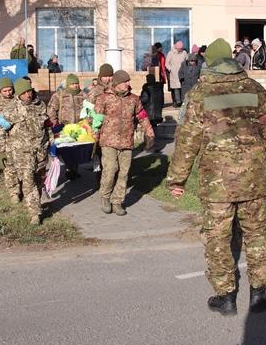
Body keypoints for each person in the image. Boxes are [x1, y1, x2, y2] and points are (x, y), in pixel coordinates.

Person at [166, 38, 266, 316]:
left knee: (218, 238)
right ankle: (259, 294)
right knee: (256, 235)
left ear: (210, 63)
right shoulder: (254, 89)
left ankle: (226, 298)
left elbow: (186, 140)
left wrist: (177, 179)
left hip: (216, 183)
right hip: (253, 178)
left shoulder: (198, 94)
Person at [94, 70, 155, 216]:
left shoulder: (134, 99)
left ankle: (117, 201)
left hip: (127, 141)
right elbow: (96, 119)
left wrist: (149, 131)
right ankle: (105, 196)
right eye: (125, 81)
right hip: (108, 141)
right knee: (110, 169)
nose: (128, 84)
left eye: (128, 81)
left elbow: (142, 115)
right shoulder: (104, 98)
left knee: (124, 172)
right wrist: (94, 135)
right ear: (116, 83)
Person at [1, 78, 51, 225]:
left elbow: (47, 126)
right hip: (22, 153)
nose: (28, 95)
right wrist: (1, 151)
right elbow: (1, 131)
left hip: (41, 151)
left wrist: (53, 144)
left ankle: (37, 203)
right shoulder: (10, 108)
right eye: (24, 92)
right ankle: (35, 214)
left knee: (39, 181)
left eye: (29, 91)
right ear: (18, 94)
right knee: (28, 182)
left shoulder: (40, 105)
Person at [47, 74, 87, 179]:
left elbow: (88, 110)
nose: (75, 86)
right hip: (64, 128)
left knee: (76, 149)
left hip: (79, 128)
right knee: (66, 150)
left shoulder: (83, 95)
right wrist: (55, 124)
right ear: (68, 85)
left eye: (77, 83)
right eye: (73, 84)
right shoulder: (59, 95)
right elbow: (51, 110)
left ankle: (73, 169)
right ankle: (69, 169)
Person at [166, 41, 188, 107]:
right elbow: (167, 63)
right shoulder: (171, 53)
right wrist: (171, 69)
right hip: (174, 73)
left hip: (183, 72)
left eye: (181, 48)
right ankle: (178, 102)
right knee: (176, 88)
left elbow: (187, 61)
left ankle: (182, 101)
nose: (180, 50)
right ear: (176, 47)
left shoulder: (184, 53)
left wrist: (186, 69)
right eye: (179, 48)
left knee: (182, 87)